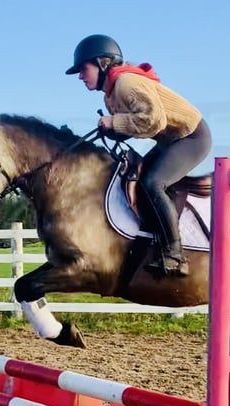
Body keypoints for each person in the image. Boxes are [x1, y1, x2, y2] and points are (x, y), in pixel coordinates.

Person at [66, 34, 211, 277]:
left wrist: (114, 122)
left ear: (103, 63)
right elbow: (133, 126)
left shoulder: (125, 83)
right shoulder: (110, 93)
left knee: (153, 182)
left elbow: (153, 121)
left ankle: (175, 255)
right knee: (138, 180)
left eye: (84, 68)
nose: (80, 76)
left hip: (192, 137)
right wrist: (112, 130)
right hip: (171, 140)